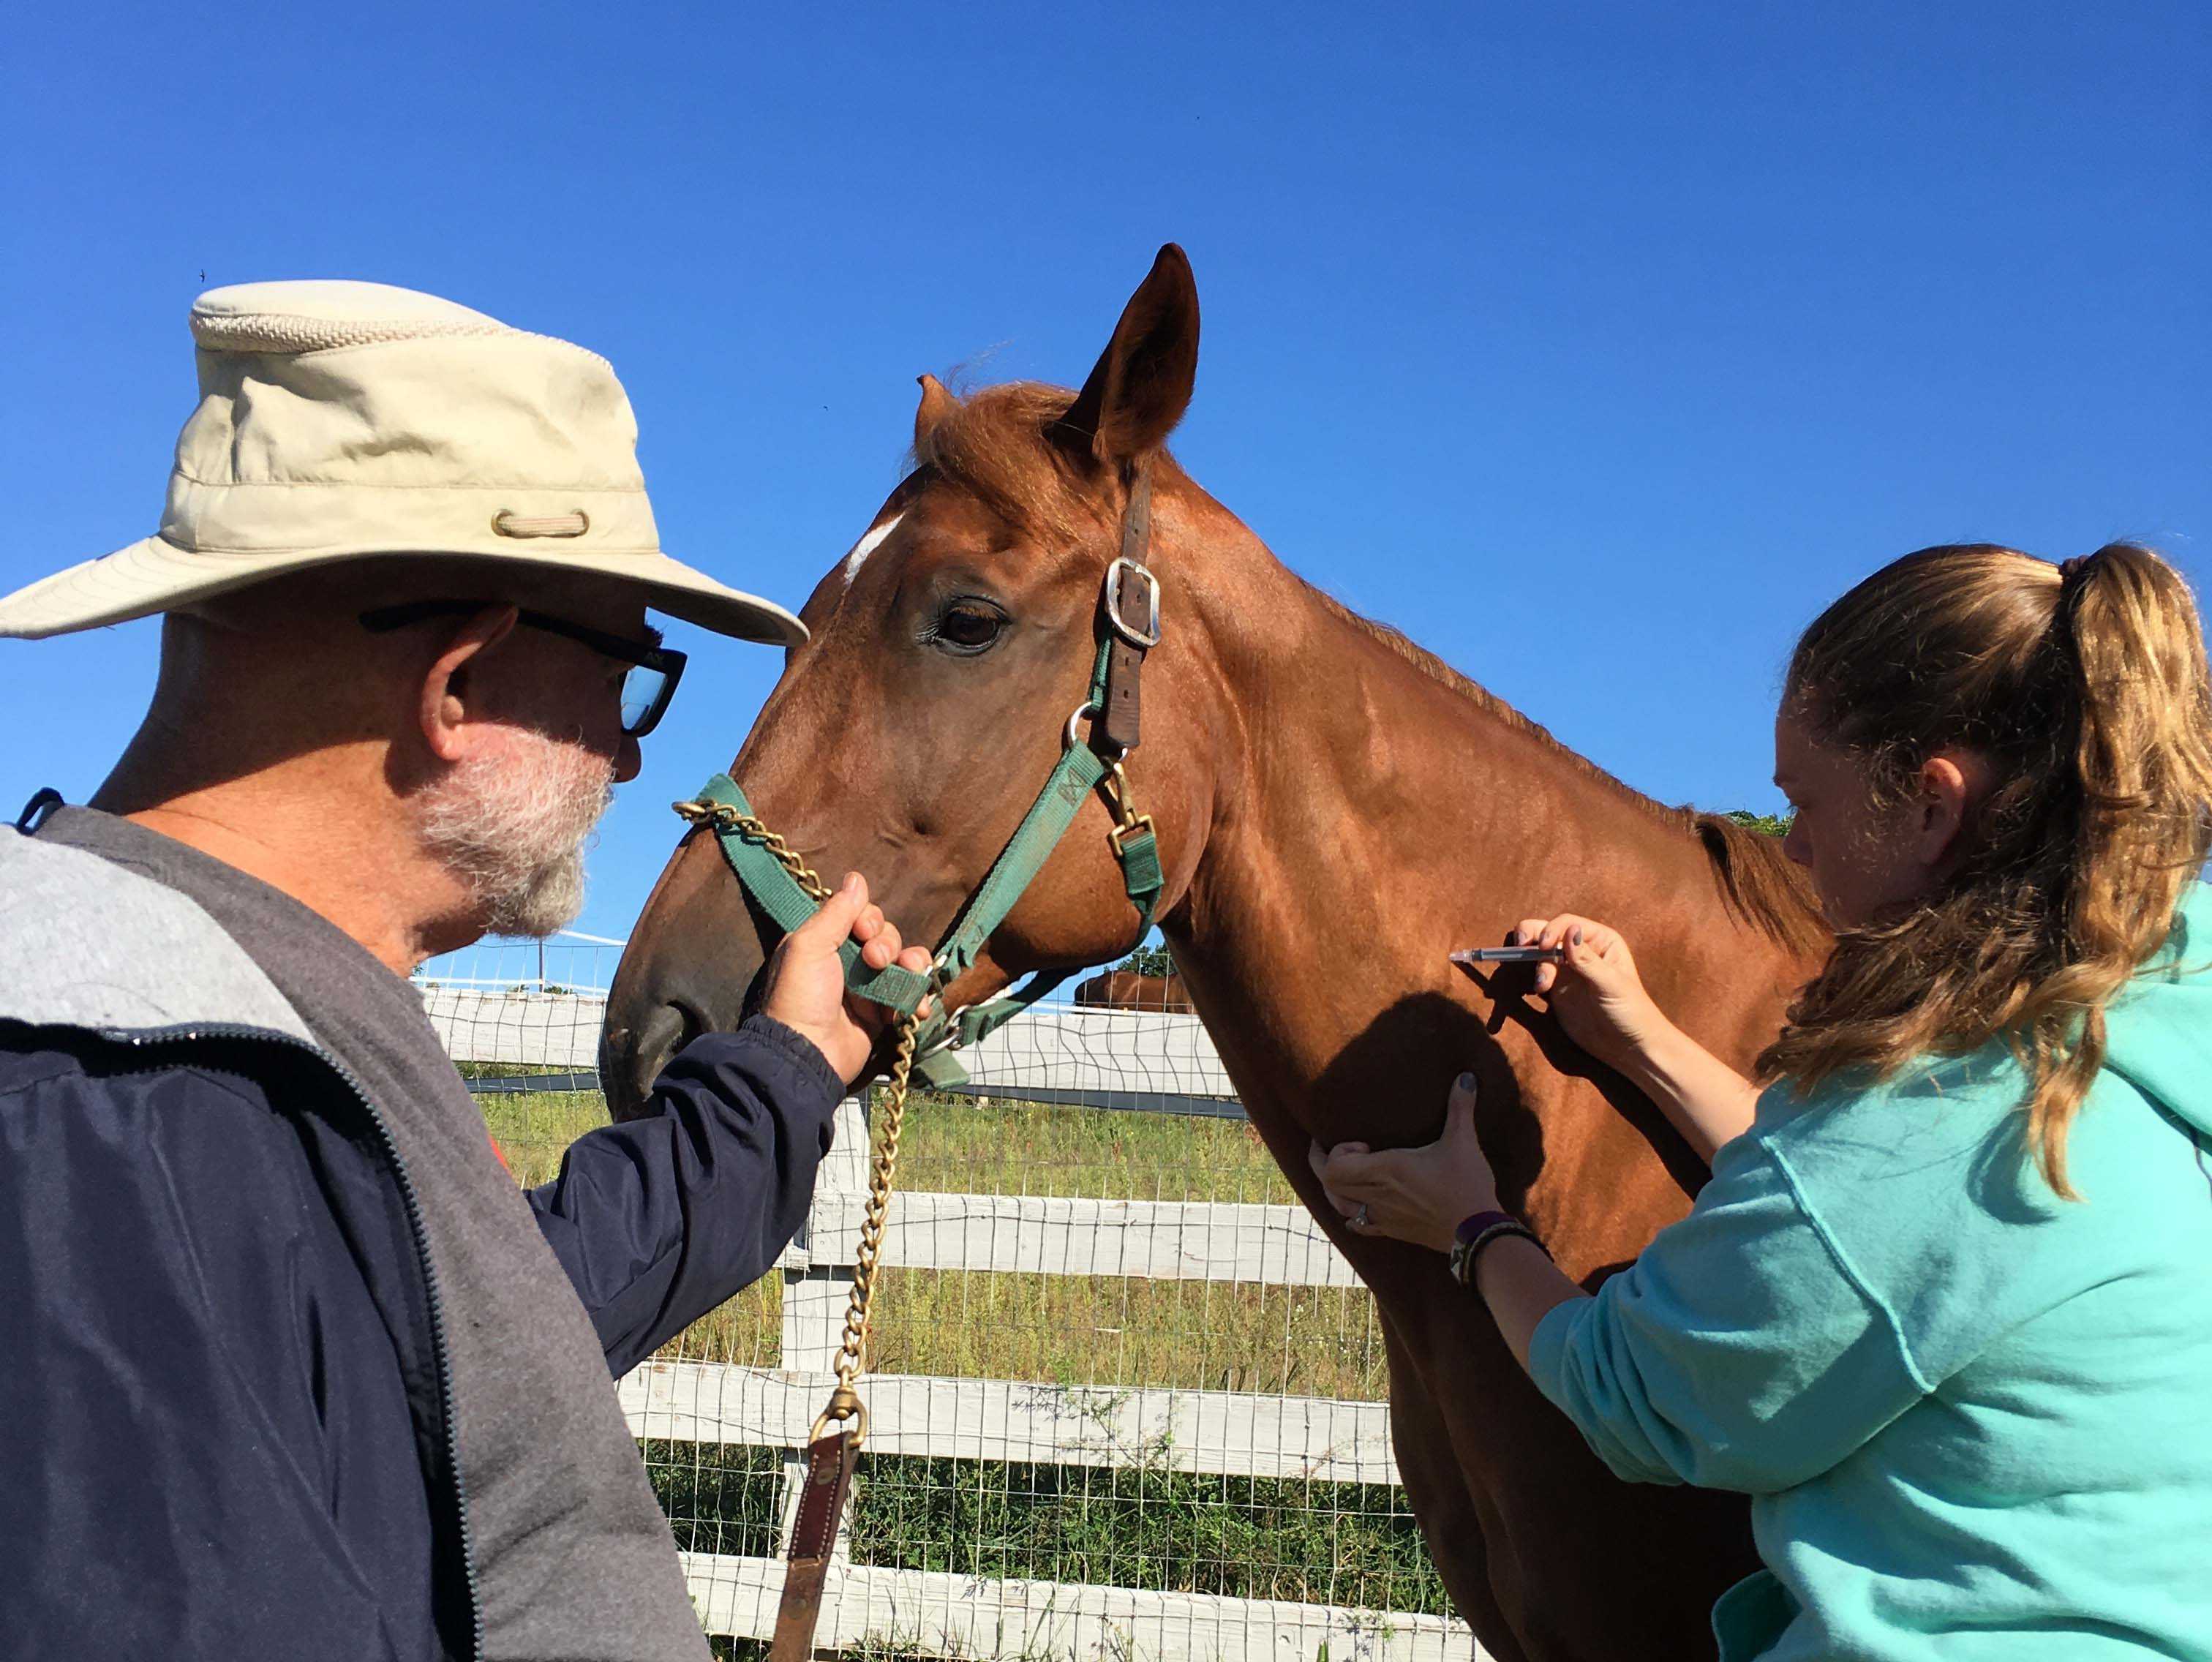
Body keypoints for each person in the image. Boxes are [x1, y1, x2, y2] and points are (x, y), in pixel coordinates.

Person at [0, 282, 932, 1661]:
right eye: (630, 679)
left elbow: (478, 1325)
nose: (627, 757)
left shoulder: (235, 1030)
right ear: (462, 685)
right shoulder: (121, 1116)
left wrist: (787, 1069)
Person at [1312, 542, 2212, 1660]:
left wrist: (1475, 1228)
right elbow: (1876, 1233)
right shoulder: (2126, 1035)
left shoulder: (1941, 1119)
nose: (1796, 847)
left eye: (1806, 802)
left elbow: (1632, 1389)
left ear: (1931, 807)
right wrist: (1641, 1038)